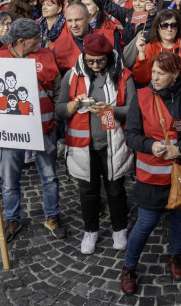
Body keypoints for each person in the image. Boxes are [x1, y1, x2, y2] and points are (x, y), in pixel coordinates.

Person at [120, 51, 181, 292]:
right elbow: (130, 135)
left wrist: (180, 148)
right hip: (152, 176)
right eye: (153, 72)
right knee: (146, 222)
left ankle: (175, 254)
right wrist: (151, 145)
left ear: (175, 75)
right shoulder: (141, 97)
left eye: (160, 73)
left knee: (180, 219)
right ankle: (129, 267)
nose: (154, 78)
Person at [0, 19, 66, 242]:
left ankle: (52, 216)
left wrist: (57, 119)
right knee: (10, 180)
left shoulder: (45, 55)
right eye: (35, 38)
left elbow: (58, 87)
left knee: (49, 177)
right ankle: (13, 218)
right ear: (21, 41)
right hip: (11, 133)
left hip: (44, 128)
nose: (40, 41)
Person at [57, 32, 135, 255]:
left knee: (116, 189)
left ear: (109, 57)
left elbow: (133, 110)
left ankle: (119, 229)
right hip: (83, 144)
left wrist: (110, 110)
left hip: (113, 143)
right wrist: (74, 105)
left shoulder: (123, 76)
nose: (95, 65)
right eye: (90, 60)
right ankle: (90, 230)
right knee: (88, 191)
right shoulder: (72, 76)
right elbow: (60, 109)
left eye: (100, 60)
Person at [132, 10, 181, 85]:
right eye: (164, 25)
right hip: (157, 95)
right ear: (157, 28)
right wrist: (142, 53)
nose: (169, 29)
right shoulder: (149, 48)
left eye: (174, 25)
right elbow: (141, 79)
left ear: (178, 28)